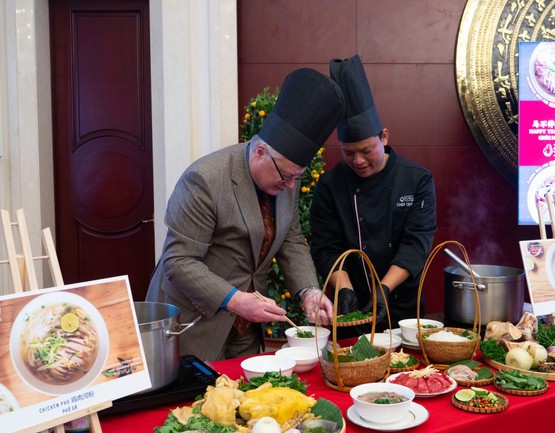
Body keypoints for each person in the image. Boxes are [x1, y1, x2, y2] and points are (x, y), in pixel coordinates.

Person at [147, 68, 340, 361]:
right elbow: (179, 261)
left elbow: (291, 238)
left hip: (246, 327)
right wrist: (235, 300)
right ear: (260, 151)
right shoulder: (205, 180)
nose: (290, 185)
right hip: (196, 321)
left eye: (296, 178)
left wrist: (309, 291)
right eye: (285, 176)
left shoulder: (284, 176)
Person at [310, 55, 437, 332]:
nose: (358, 160)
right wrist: (344, 289)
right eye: (348, 153)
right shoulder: (329, 186)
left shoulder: (417, 179)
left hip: (403, 308)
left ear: (384, 137)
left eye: (366, 150)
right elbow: (325, 247)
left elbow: (416, 244)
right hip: (349, 310)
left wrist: (384, 289)